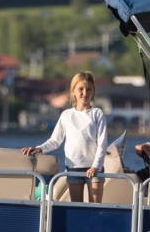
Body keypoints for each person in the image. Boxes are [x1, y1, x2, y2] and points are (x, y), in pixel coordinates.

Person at [22, 71, 108, 203]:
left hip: (94, 169)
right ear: (73, 91)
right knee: (76, 207)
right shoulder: (66, 115)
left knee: (95, 208)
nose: (85, 93)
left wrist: (95, 166)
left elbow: (102, 144)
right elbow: (55, 140)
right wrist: (39, 149)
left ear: (93, 92)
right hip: (74, 167)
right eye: (80, 89)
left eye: (89, 89)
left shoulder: (97, 114)